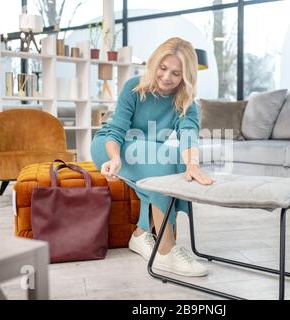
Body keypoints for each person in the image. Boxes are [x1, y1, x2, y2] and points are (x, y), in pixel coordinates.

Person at [91, 37, 215, 277]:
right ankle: (166, 252)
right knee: (162, 160)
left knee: (176, 160)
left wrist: (192, 164)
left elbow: (188, 134)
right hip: (111, 145)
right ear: (154, 63)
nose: (167, 77)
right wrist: (115, 158)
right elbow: (116, 130)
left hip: (145, 149)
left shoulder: (187, 101)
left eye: (176, 73)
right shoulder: (134, 87)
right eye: (163, 68)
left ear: (186, 75)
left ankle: (140, 235)